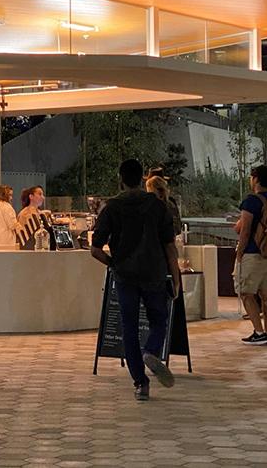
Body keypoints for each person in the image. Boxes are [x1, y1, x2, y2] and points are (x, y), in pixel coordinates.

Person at [91, 159, 181, 401]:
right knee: (159, 319)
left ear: (120, 178)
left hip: (125, 275)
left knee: (128, 328)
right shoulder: (158, 206)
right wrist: (177, 277)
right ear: (142, 177)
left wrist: (114, 264)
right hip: (154, 272)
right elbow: (170, 246)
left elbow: (95, 249)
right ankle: (151, 350)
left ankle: (141, 383)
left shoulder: (112, 207)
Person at [234, 165, 267, 346]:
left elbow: (245, 231)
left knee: (246, 293)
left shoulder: (251, 201)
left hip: (253, 253)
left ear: (255, 179)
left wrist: (240, 252)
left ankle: (258, 332)